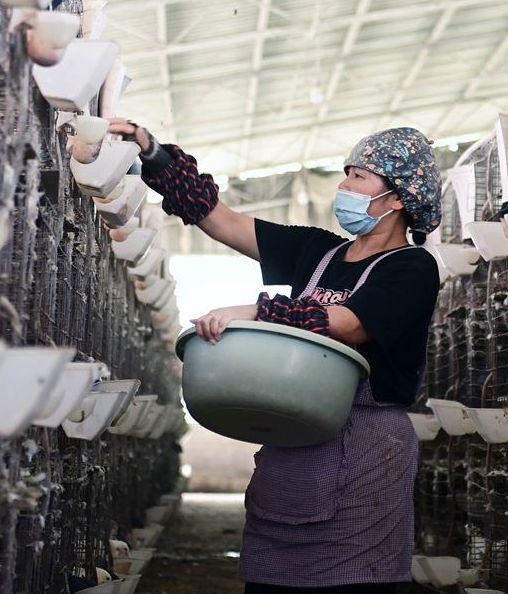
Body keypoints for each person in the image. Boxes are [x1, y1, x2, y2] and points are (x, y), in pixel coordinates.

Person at [106, 119, 442, 593]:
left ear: (398, 198)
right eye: (346, 172)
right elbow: (222, 220)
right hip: (298, 438)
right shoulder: (318, 251)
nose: (343, 185)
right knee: (271, 578)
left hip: (368, 450)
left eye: (359, 177)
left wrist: (255, 312)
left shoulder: (413, 267)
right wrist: (154, 153)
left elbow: (348, 324)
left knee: (352, 580)